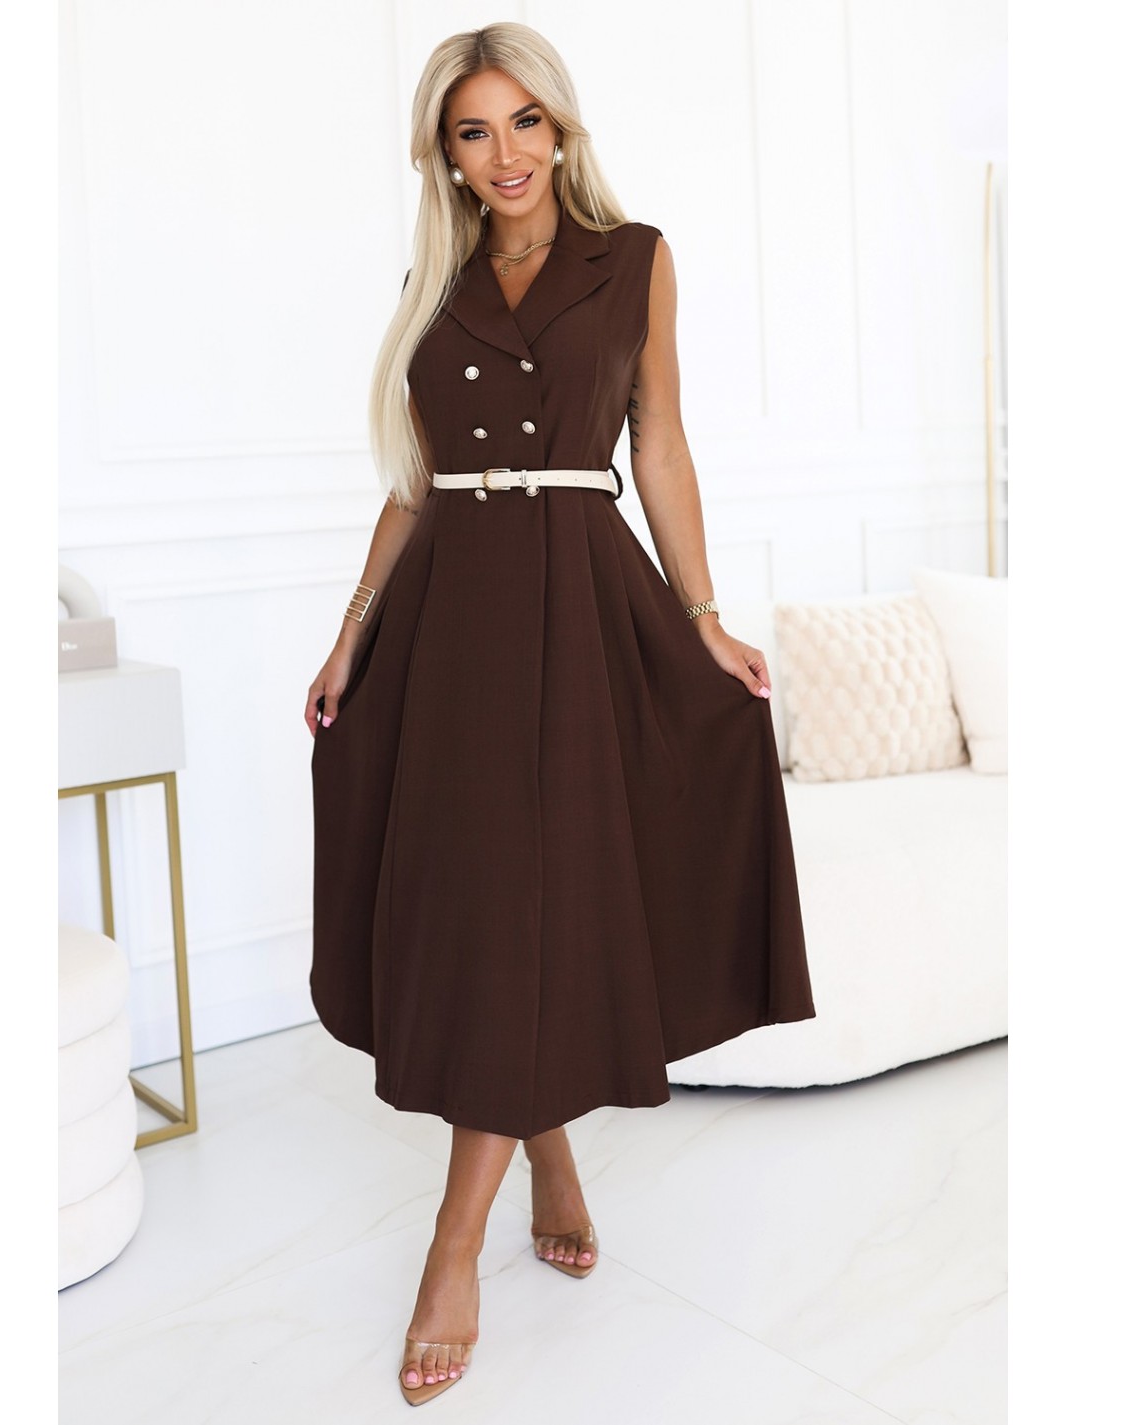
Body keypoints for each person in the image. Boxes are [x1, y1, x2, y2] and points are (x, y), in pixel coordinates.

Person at [304, 22, 816, 1405]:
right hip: (452, 620)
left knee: (542, 896)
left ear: (563, 127)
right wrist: (350, 633)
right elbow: (413, 484)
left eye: (526, 121)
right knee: (486, 903)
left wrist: (703, 617)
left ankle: (452, 1242)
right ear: (446, 155)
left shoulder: (634, 259)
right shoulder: (435, 281)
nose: (506, 152)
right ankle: (551, 1155)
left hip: (584, 607)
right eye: (474, 131)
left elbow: (661, 444)